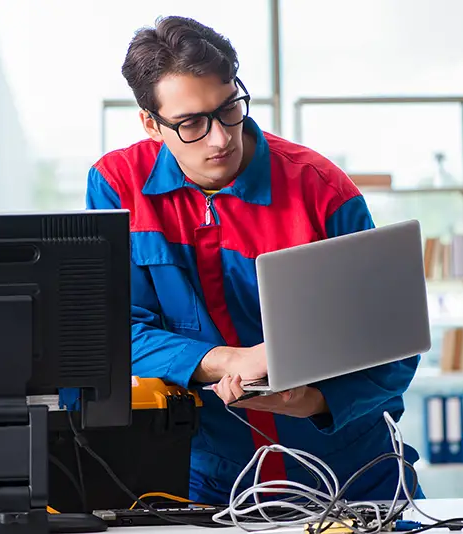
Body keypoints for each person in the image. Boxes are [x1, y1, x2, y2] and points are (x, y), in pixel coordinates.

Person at [85, 15, 423, 505]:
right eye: (191, 124)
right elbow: (113, 330)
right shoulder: (118, 186)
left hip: (355, 469)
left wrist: (314, 401)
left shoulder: (321, 189)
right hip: (210, 476)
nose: (220, 138)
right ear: (151, 124)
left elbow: (396, 344)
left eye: (229, 109)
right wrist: (228, 361)